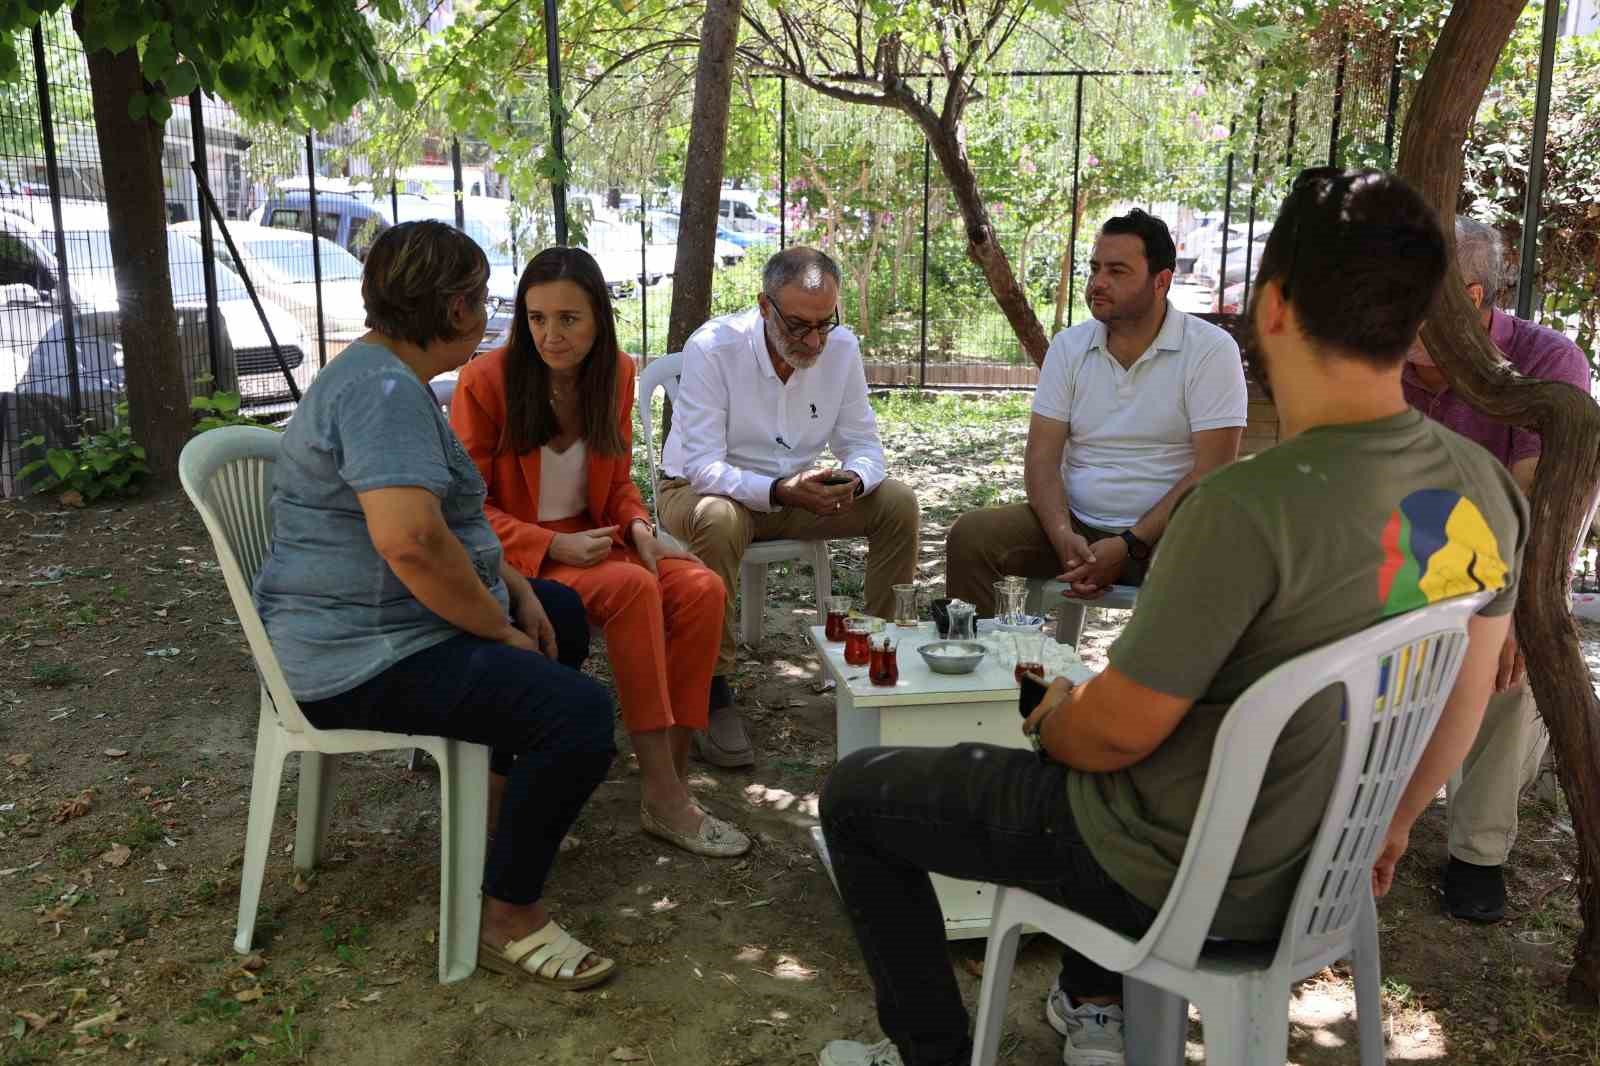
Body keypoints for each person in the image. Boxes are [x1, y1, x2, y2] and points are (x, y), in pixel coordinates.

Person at [814, 170, 1527, 1066]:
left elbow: (1111, 740)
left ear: (1272, 308)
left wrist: (1056, 710)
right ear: (1428, 312)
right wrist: (1393, 823)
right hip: (1326, 879)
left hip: (1170, 876)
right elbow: (1465, 694)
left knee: (857, 795)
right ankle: (1092, 996)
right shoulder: (1483, 489)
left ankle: (934, 1053)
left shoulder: (1242, 508)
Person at [253, 221, 617, 989]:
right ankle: (506, 914)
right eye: (484, 297)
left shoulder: (386, 376)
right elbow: (412, 543)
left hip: (384, 628)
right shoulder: (382, 393)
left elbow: (451, 524)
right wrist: (495, 627)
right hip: (359, 659)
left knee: (561, 612)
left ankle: (494, 810)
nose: (490, 312)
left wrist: (514, 587)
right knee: (578, 715)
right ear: (455, 309)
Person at [451, 246, 750, 858]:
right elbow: (467, 509)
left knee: (701, 589)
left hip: (597, 538)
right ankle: (666, 797)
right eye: (536, 319)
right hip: (526, 555)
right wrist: (550, 541)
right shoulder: (485, 383)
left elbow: (615, 484)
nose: (550, 335)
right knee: (633, 588)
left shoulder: (615, 372)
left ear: (598, 320)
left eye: (569, 319)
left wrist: (639, 524)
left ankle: (670, 775)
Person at [657, 246, 920, 767]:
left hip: (794, 493)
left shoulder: (841, 349)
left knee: (897, 503)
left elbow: (865, 445)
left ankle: (873, 660)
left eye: (826, 323)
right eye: (799, 325)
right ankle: (711, 691)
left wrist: (851, 479)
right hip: (698, 491)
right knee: (721, 516)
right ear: (763, 306)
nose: (815, 341)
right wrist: (780, 489)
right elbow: (704, 466)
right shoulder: (713, 347)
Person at [1404, 217, 1592, 922]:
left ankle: (1477, 852)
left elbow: (1531, 504)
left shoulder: (1546, 365)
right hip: (1399, 551)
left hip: (1504, 560)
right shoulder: (1377, 354)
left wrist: (1507, 608)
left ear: (1470, 297)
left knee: (1507, 667)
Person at [946, 210, 1247, 614]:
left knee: (1203, 565)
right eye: (1095, 268)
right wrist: (1061, 535)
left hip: (1168, 534)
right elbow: (1041, 458)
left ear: (1162, 281)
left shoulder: (1209, 350)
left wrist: (1129, 544)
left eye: (1117, 271)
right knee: (973, 536)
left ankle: (1150, 678)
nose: (1098, 283)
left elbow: (1212, 470)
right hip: (1076, 525)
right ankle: (977, 669)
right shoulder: (1070, 347)